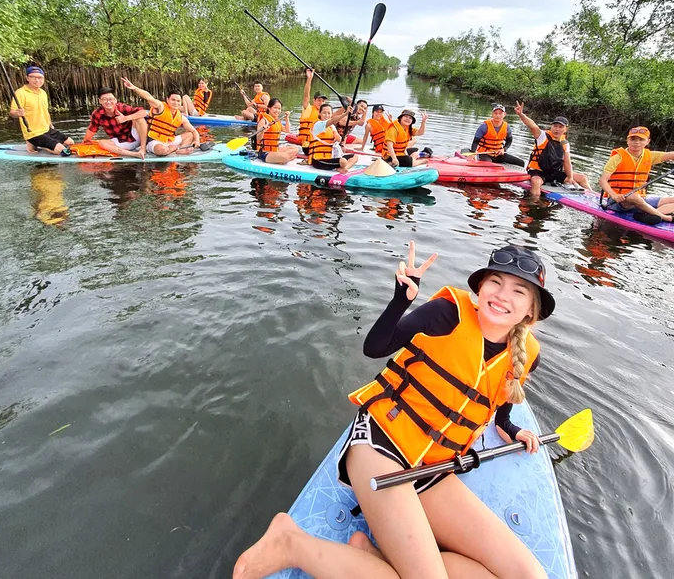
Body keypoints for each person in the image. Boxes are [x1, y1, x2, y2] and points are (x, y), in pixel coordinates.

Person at [233, 242, 553, 579]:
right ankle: (290, 543)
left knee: (530, 575)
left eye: (519, 291)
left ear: (531, 310)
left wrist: (513, 429)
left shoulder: (526, 354)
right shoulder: (447, 314)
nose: (503, 296)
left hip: (434, 468)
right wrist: (401, 300)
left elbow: (498, 407)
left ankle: (376, 557)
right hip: (382, 444)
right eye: (496, 283)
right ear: (481, 286)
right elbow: (375, 347)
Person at [514, 102, 591, 196]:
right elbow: (532, 125)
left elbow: (567, 163)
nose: (557, 129)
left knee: (582, 178)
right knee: (536, 182)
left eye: (560, 127)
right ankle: (534, 203)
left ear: (565, 129)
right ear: (551, 126)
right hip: (538, 172)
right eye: (555, 126)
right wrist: (521, 115)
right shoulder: (542, 136)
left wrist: (570, 178)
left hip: (554, 173)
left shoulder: (565, 143)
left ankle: (593, 198)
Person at [120, 78, 201, 156]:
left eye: (178, 101)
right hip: (154, 141)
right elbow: (148, 97)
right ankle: (175, 149)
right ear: (167, 100)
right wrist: (134, 88)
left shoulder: (181, 117)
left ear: (181, 102)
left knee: (190, 134)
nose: (176, 103)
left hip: (169, 141)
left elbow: (194, 131)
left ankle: (180, 150)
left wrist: (197, 140)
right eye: (173, 100)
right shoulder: (160, 107)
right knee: (162, 151)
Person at [9, 66, 74, 156]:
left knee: (70, 143)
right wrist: (17, 113)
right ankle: (34, 142)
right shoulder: (20, 93)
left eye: (39, 77)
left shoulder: (43, 93)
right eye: (33, 77)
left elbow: (45, 110)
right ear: (27, 78)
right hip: (33, 132)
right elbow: (12, 112)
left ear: (43, 78)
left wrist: (50, 123)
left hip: (46, 129)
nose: (37, 80)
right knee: (63, 151)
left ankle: (41, 144)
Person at [81, 87, 149, 159]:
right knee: (102, 143)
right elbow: (91, 130)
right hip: (121, 141)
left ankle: (143, 149)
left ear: (115, 100)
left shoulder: (122, 108)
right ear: (100, 101)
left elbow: (144, 112)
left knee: (139, 118)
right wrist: (84, 143)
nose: (108, 102)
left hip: (137, 137)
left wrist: (126, 118)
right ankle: (134, 154)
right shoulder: (97, 114)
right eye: (104, 99)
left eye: (110, 99)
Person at [308, 103, 358, 171]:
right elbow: (333, 120)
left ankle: (344, 168)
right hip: (318, 160)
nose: (326, 115)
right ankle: (342, 166)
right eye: (324, 113)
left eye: (329, 113)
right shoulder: (318, 124)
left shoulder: (332, 127)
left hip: (331, 156)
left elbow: (338, 138)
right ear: (319, 114)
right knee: (343, 161)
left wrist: (341, 140)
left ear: (331, 114)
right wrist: (345, 113)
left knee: (355, 156)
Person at [252, 98, 300, 164]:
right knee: (285, 157)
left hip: (275, 150)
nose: (277, 110)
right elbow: (258, 138)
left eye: (279, 108)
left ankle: (281, 158)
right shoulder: (263, 121)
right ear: (269, 108)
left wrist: (287, 118)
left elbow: (287, 130)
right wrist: (263, 130)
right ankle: (285, 159)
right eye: (275, 108)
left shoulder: (277, 120)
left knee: (295, 149)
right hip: (265, 153)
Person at [297, 69, 327, 156]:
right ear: (314, 100)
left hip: (319, 141)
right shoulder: (308, 109)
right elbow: (306, 95)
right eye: (319, 100)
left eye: (323, 101)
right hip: (307, 144)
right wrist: (309, 79)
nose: (321, 103)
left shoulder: (325, 113)